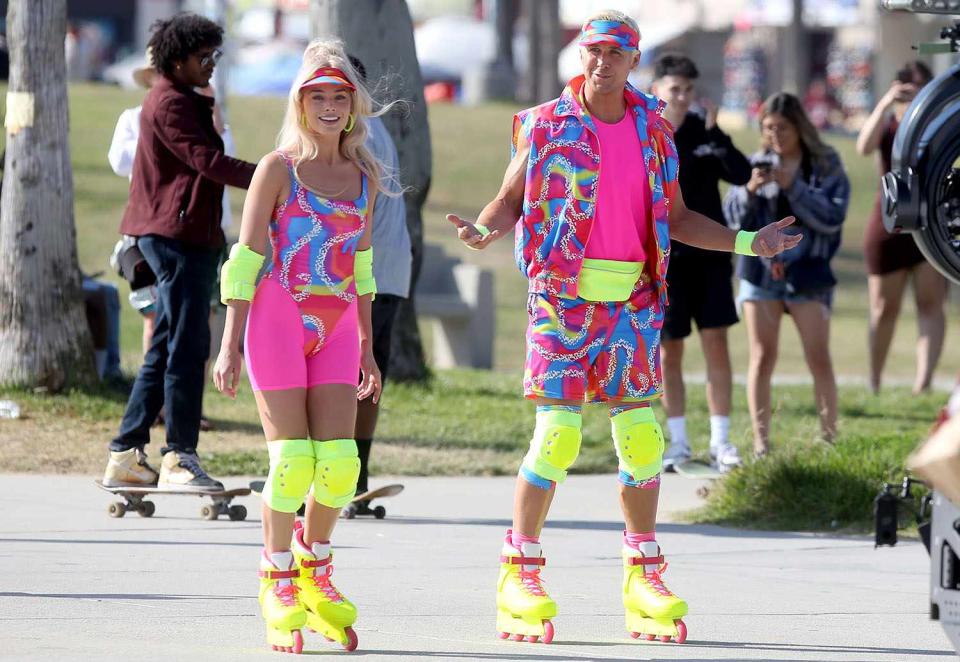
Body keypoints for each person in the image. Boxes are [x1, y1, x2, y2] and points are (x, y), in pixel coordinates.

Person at [447, 10, 800, 645]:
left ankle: (643, 573)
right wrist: (485, 228)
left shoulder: (652, 131)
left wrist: (750, 241)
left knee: (643, 442)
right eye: (593, 50)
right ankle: (519, 571)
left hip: (632, 304)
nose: (601, 61)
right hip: (561, 303)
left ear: (634, 60)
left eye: (615, 52)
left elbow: (680, 218)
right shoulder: (545, 124)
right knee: (557, 436)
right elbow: (511, 198)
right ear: (580, 54)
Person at [212, 38, 388, 653]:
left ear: (353, 103)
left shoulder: (364, 174)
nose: (331, 106)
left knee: (339, 466)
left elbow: (361, 266)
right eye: (319, 97)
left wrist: (366, 346)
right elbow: (246, 258)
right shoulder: (277, 168)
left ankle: (316, 569)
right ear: (301, 102)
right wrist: (229, 343)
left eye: (340, 96)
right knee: (292, 463)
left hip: (338, 324)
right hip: (278, 318)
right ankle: (277, 576)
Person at [101, 13, 256, 491]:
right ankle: (179, 456)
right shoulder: (170, 103)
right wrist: (275, 176)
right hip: (175, 237)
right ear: (177, 59)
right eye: (203, 57)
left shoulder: (186, 99)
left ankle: (126, 453)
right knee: (189, 347)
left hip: (184, 235)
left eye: (216, 55)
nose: (211, 64)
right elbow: (207, 162)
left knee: (168, 344)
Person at [724, 92, 851, 455]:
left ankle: (829, 439)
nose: (775, 135)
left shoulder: (824, 164)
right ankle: (762, 443)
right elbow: (731, 218)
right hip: (760, 276)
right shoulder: (753, 163)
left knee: (819, 356)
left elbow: (832, 217)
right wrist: (750, 189)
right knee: (761, 357)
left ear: (799, 127)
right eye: (768, 127)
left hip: (809, 274)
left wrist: (792, 186)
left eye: (783, 127)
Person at [650, 53, 752, 473]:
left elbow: (743, 174)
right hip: (666, 260)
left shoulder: (705, 133)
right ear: (656, 89)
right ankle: (678, 442)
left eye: (688, 89)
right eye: (674, 88)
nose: (682, 96)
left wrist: (720, 136)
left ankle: (721, 441)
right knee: (669, 351)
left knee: (716, 344)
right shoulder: (647, 134)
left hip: (710, 257)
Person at [345, 55, 412, 518]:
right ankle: (356, 478)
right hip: (388, 271)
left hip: (359, 273)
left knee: (344, 378)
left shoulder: (354, 134)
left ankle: (343, 480)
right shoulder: (372, 127)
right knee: (366, 377)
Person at [856, 61, 946, 395]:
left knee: (930, 304)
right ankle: (875, 380)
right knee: (883, 308)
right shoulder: (889, 123)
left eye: (921, 86)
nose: (913, 92)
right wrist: (886, 101)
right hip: (888, 222)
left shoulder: (937, 124)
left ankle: (923, 383)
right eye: (908, 85)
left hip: (929, 222)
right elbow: (864, 146)